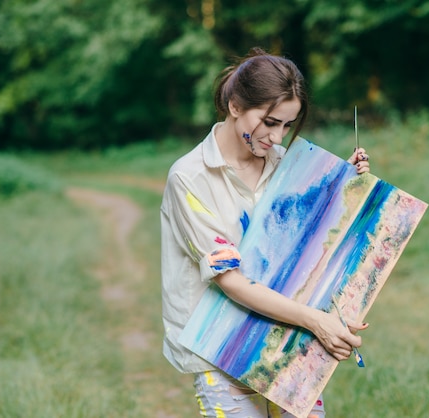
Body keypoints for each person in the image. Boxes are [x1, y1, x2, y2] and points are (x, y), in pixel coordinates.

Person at [160, 47, 371, 418]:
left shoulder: (285, 166)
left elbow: (303, 251)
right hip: (220, 349)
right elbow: (232, 281)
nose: (277, 137)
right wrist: (317, 321)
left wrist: (341, 185)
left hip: (287, 338)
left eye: (287, 125)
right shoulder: (189, 178)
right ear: (236, 105)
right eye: (270, 122)